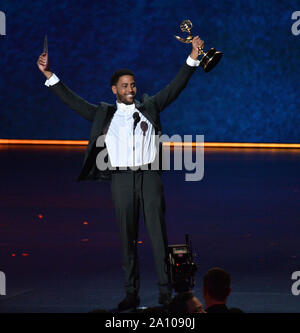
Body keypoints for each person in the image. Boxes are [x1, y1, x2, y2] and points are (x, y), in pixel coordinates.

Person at [37, 36, 204, 311]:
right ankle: (131, 293)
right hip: (122, 180)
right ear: (114, 89)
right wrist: (49, 75)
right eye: (125, 86)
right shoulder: (104, 114)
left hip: (149, 177)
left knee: (158, 237)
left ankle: (165, 293)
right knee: (127, 239)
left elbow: (176, 87)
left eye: (133, 84)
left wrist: (194, 56)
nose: (131, 89)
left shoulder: (150, 107)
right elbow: (72, 101)